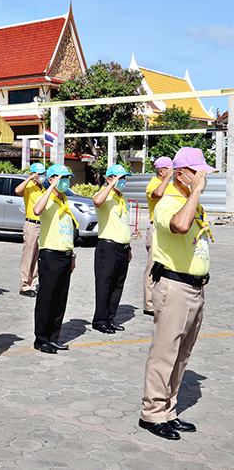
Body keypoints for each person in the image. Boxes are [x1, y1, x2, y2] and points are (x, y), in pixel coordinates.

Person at [138, 147, 215, 441]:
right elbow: (181, 226)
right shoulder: (168, 202)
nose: (202, 179)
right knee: (164, 354)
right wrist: (195, 193)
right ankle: (151, 414)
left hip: (195, 287)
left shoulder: (188, 202)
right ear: (181, 175)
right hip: (175, 286)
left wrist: (193, 195)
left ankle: (168, 410)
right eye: (198, 173)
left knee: (182, 355)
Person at [31, 164, 77, 354]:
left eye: (67, 178)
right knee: (47, 299)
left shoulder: (64, 199)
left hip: (65, 255)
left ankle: (53, 337)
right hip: (50, 255)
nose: (66, 181)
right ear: (51, 179)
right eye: (61, 178)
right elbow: (36, 210)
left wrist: (72, 254)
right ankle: (41, 339)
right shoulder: (46, 198)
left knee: (60, 299)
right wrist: (50, 187)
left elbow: (67, 230)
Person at [91, 164, 132, 335]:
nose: (123, 181)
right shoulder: (105, 196)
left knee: (117, 286)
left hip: (122, 248)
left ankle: (110, 318)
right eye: (119, 178)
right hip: (108, 247)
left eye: (124, 178)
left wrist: (128, 247)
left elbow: (124, 224)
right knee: (105, 285)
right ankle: (100, 320)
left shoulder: (122, 198)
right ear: (109, 179)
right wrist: (110, 185)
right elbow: (97, 201)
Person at [143, 157, 174, 317]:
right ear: (161, 171)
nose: (173, 172)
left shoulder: (171, 186)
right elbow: (158, 194)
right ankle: (149, 305)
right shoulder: (153, 184)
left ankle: (163, 301)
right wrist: (168, 178)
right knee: (153, 266)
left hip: (169, 229)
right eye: (170, 169)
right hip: (156, 229)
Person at [14, 163, 46, 297]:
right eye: (39, 174)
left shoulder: (43, 188)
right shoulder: (29, 186)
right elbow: (17, 191)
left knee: (37, 256)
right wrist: (29, 178)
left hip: (42, 224)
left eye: (43, 173)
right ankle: (24, 285)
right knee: (29, 255)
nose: (42, 176)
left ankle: (32, 283)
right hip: (32, 224)